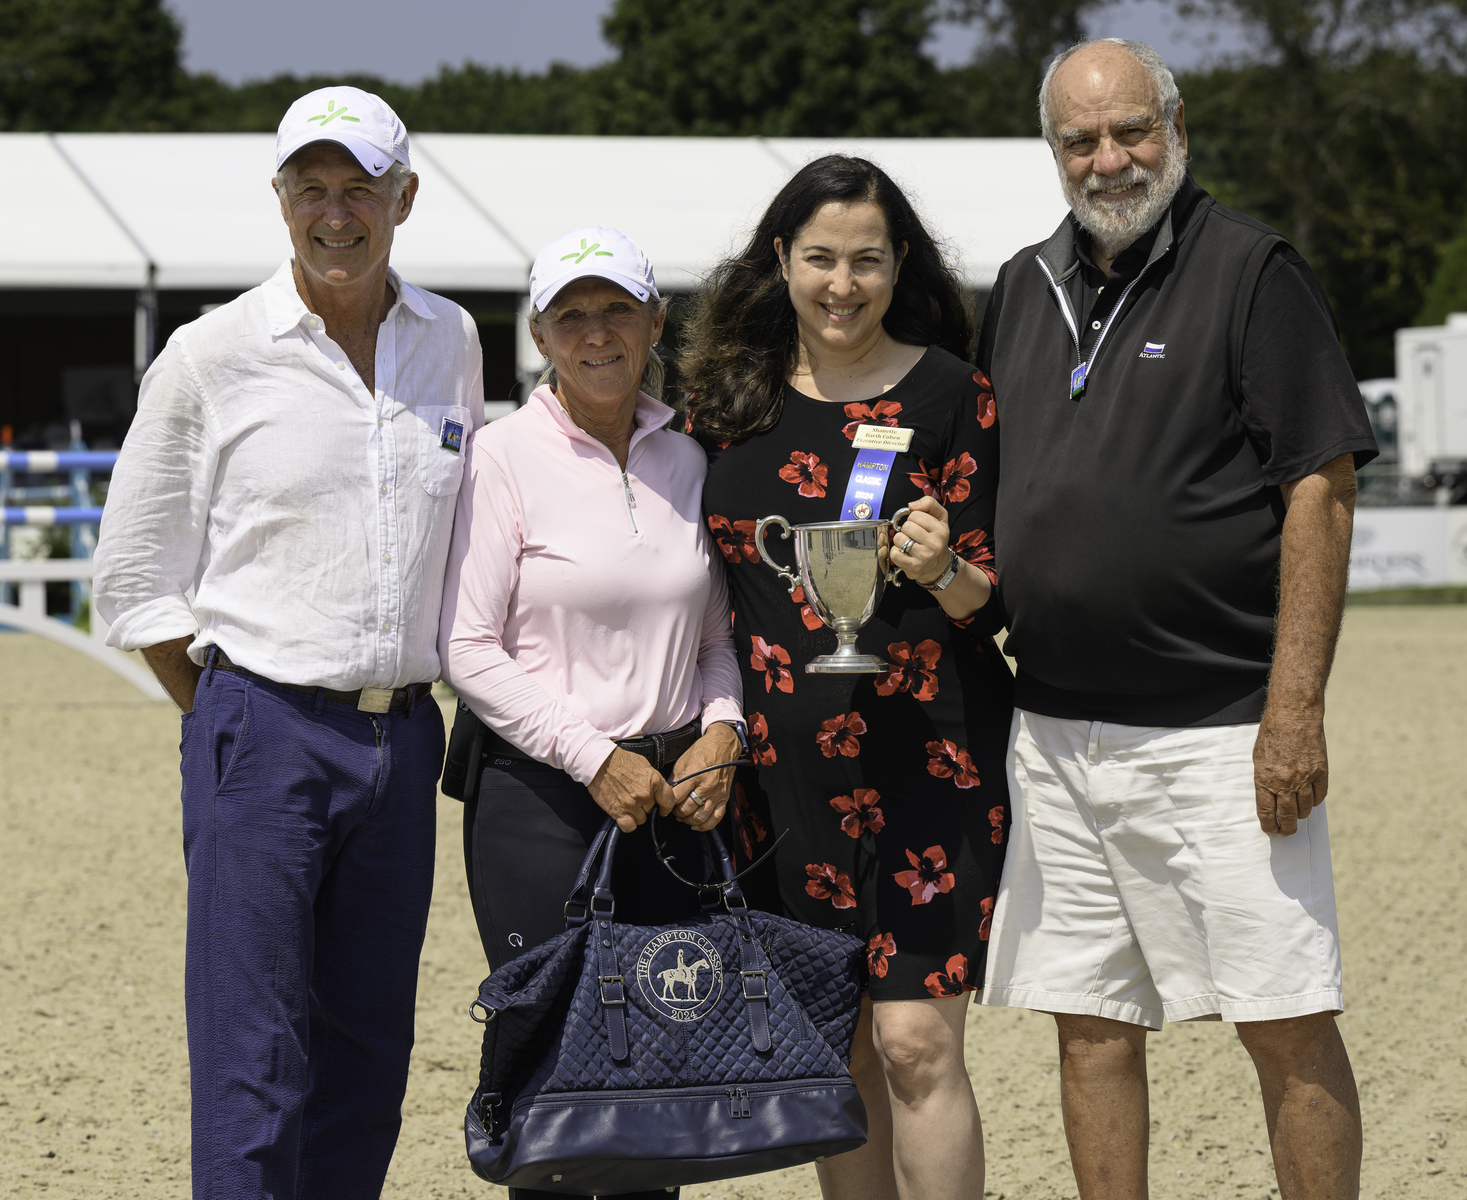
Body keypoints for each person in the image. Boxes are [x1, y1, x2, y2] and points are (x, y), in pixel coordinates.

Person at [975, 39, 1378, 1200]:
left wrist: (1294, 710)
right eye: (1081, 140)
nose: (1110, 159)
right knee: (1091, 1022)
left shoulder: (1254, 270)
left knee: (1284, 1019)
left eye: (1130, 130)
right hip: (1052, 731)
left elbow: (1322, 484)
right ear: (1052, 153)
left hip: (1222, 727)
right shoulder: (1020, 284)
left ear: (1178, 125)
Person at [92, 86, 483, 1200]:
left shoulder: (450, 341)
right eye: (310, 189)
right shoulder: (211, 355)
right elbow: (134, 576)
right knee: (252, 1061)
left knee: (369, 1056)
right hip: (261, 728)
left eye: (358, 187)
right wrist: (237, 716)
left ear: (404, 198)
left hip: (405, 743)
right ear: (280, 203)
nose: (335, 212)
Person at [682, 156, 1013, 1200]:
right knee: (844, 1053)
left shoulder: (956, 395)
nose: (842, 283)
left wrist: (942, 568)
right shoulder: (720, 408)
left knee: (916, 1042)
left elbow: (993, 603)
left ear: (898, 262)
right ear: (780, 260)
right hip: (782, 778)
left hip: (933, 756)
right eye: (820, 257)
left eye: (866, 260)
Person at [438, 226, 746, 1200]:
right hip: (541, 801)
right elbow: (466, 647)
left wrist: (725, 727)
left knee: (659, 1083)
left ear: (658, 321)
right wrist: (590, 755)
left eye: (617, 309)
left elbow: (713, 637)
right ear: (540, 333)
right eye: (571, 314)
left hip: (671, 799)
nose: (596, 333)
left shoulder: (689, 461)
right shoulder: (502, 457)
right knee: (557, 1087)